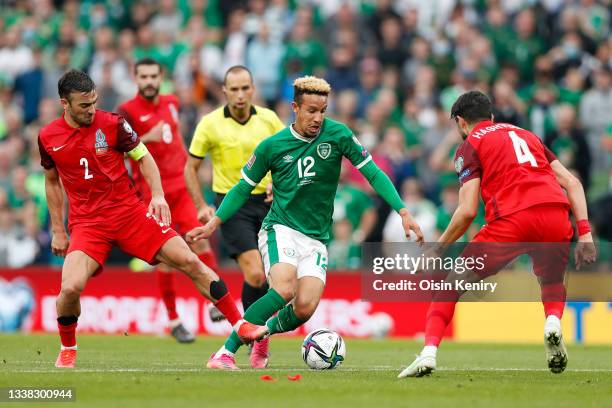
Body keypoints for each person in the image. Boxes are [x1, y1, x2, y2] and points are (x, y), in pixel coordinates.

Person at [188, 76, 424, 370]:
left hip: (316, 238)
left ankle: (263, 333)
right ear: (295, 108)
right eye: (311, 110)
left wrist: (402, 210)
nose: (317, 118)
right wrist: (215, 222)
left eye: (323, 110)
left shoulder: (339, 135)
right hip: (280, 229)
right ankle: (224, 353)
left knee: (304, 309)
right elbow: (242, 188)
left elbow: (372, 172)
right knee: (284, 289)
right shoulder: (272, 146)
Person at [39, 69, 267, 368]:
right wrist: (58, 229)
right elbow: (52, 181)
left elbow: (144, 156)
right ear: (64, 104)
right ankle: (68, 347)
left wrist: (157, 195)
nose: (91, 110)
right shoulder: (48, 137)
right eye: (84, 105)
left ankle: (240, 324)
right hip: (88, 224)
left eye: (94, 102)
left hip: (131, 214)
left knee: (190, 260)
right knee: (69, 289)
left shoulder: (112, 124)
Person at [398, 91, 597, 378]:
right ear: (490, 115)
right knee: (551, 280)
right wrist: (586, 234)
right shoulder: (527, 135)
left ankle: (428, 353)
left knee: (451, 284)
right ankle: (553, 322)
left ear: (461, 122)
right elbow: (572, 182)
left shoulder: (470, 145)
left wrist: (438, 248)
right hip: (555, 214)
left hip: (512, 221)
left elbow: (467, 211)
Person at [184, 65, 284, 366]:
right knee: (255, 273)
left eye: (245, 88)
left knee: (273, 278)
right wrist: (201, 204)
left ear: (253, 90)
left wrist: (277, 184)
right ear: (224, 91)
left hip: (268, 204)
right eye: (234, 89)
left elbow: (288, 158)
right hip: (232, 204)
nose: (240, 95)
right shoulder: (209, 124)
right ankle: (257, 338)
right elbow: (191, 167)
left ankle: (258, 337)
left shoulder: (269, 120)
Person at [117, 58, 218, 344]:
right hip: (153, 192)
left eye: (153, 76)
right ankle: (174, 319)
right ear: (135, 78)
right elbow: (117, 153)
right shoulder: (127, 111)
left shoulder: (172, 101)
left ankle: (215, 303)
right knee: (167, 257)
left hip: (181, 185)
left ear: (161, 77)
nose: (149, 81)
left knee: (202, 241)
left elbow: (176, 140)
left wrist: (191, 169)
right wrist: (145, 137)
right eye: (143, 76)